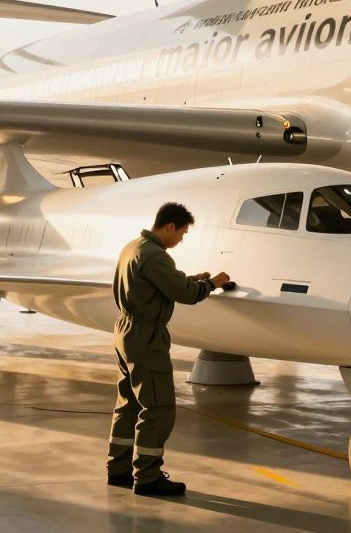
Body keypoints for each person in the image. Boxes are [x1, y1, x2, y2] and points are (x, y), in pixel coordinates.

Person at [106, 202, 228, 496]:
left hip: (126, 329)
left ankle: (118, 469)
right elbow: (184, 294)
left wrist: (194, 278)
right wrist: (212, 283)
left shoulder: (133, 248)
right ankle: (148, 477)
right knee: (158, 407)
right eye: (182, 233)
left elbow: (160, 283)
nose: (181, 240)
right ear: (170, 226)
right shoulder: (155, 255)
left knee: (129, 404)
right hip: (146, 334)